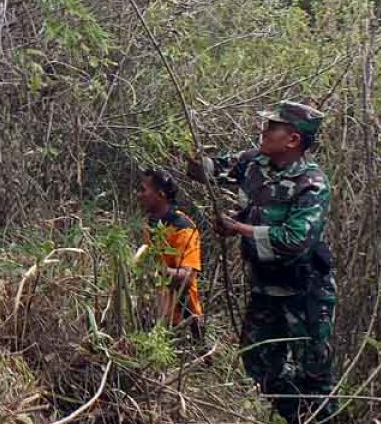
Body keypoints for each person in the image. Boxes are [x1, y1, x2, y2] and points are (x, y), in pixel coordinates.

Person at [187, 100, 336, 424]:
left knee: (314, 379)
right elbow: (206, 170)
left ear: (293, 140)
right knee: (257, 362)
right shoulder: (253, 163)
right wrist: (188, 145)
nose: (263, 131)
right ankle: (292, 415)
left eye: (272, 127)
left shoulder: (311, 184)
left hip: (304, 293)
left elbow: (295, 241)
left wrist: (238, 228)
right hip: (265, 288)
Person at [137, 167, 204, 337]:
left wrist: (153, 272)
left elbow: (187, 279)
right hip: (155, 317)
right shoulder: (150, 223)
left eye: (144, 190)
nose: (139, 195)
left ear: (161, 194)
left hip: (182, 323)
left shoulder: (184, 228)